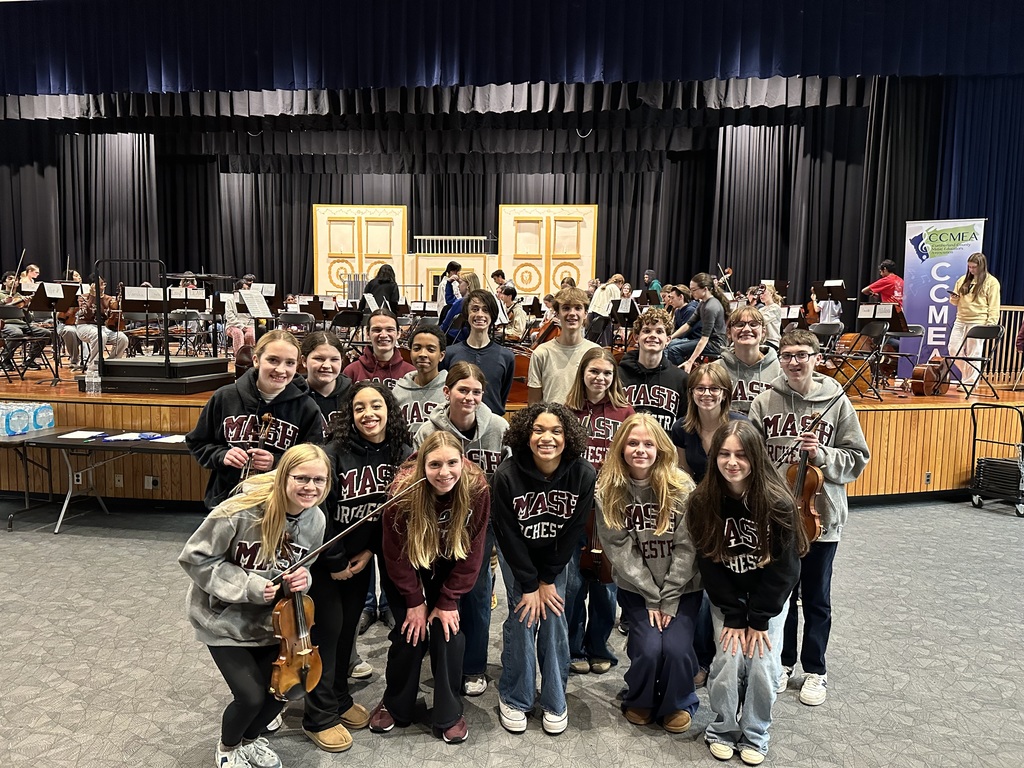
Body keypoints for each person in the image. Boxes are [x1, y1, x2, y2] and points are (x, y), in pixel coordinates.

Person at [178, 443, 330, 768]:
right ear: (283, 476)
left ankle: (249, 740)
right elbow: (195, 558)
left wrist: (302, 579)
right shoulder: (238, 511)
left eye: (319, 480)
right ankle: (228, 747)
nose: (311, 487)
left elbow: (304, 567)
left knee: (286, 689)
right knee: (250, 696)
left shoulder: (316, 519)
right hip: (223, 619)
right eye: (302, 478)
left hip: (273, 622)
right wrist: (249, 586)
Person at [748, 329, 870, 707]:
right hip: (778, 518)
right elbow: (751, 457)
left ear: (816, 358)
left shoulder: (836, 400)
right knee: (781, 594)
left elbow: (858, 458)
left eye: (802, 354)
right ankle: (783, 662)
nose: (794, 362)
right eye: (786, 355)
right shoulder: (765, 400)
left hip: (820, 517)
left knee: (817, 598)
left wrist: (822, 456)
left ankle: (815, 669)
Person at [687, 421, 808, 766]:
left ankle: (755, 732)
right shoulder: (702, 501)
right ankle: (723, 729)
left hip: (768, 602)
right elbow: (708, 564)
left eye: (741, 454)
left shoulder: (778, 502)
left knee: (763, 666)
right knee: (727, 662)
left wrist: (758, 618)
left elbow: (786, 571)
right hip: (728, 600)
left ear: (755, 456)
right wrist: (734, 614)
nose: (732, 462)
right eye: (724, 454)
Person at [302, 382, 412, 752]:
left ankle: (338, 698)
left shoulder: (402, 453)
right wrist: (334, 561)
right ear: (349, 414)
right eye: (359, 407)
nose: (369, 414)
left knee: (347, 632)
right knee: (327, 633)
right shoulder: (332, 453)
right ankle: (318, 716)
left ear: (389, 410)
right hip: (325, 561)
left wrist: (368, 551)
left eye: (376, 405)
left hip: (359, 559)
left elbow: (392, 514)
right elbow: (318, 511)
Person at [368, 431, 490, 744]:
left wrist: (447, 600)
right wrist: (414, 600)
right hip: (409, 563)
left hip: (450, 561)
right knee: (409, 632)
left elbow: (475, 549)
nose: (444, 472)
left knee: (448, 633)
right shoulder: (402, 490)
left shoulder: (476, 487)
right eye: (435, 464)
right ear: (423, 465)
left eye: (452, 463)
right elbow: (394, 553)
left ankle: (449, 712)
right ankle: (396, 703)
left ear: (462, 461)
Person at [492, 403, 596, 735]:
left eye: (556, 431)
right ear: (526, 434)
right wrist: (528, 583)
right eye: (538, 430)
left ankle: (554, 697)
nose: (546, 438)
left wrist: (547, 579)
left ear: (568, 437)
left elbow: (573, 532)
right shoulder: (506, 475)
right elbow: (507, 535)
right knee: (524, 615)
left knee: (553, 615)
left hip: (555, 556)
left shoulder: (583, 473)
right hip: (518, 555)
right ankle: (516, 695)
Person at [596, 413, 701, 733]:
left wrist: (668, 596)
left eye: (648, 443)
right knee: (649, 648)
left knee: (677, 649)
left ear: (660, 448)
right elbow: (619, 550)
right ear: (621, 448)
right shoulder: (608, 490)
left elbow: (688, 547)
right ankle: (640, 697)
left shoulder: (682, 486)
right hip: (638, 589)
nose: (640, 450)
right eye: (632, 443)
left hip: (683, 588)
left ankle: (678, 701)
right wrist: (652, 596)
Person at [414, 361, 510, 695]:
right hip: (438, 523)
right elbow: (416, 480)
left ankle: (473, 666)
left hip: (483, 523)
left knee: (478, 593)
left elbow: (508, 477)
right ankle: (443, 657)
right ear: (447, 391)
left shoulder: (498, 427)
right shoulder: (427, 431)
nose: (470, 397)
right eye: (462, 390)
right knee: (440, 589)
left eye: (476, 392)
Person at [187, 330, 325, 509]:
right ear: (256, 360)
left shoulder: (307, 407)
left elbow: (313, 459)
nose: (281, 369)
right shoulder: (225, 397)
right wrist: (222, 455)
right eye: (273, 360)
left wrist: (276, 461)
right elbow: (198, 442)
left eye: (290, 363)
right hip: (228, 500)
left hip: (281, 503)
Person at [564, 348, 634, 675]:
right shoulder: (566, 411)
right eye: (594, 371)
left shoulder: (625, 412)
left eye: (607, 373)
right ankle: (574, 647)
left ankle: (599, 646)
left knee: (606, 584)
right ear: (582, 373)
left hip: (611, 507)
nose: (600, 378)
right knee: (574, 584)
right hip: (574, 507)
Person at [443, 289, 515, 417]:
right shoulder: (449, 354)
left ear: (492, 315)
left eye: (485, 310)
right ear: (467, 314)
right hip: (457, 422)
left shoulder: (507, 357)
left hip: (492, 424)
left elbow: (501, 397)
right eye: (475, 309)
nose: (480, 314)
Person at [617, 308, 688, 433]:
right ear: (636, 337)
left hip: (665, 444)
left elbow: (684, 425)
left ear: (668, 340)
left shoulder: (681, 379)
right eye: (646, 331)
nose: (653, 335)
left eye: (659, 331)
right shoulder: (618, 376)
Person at [527, 287, 599, 404]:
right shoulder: (541, 353)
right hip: (551, 415)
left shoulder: (595, 352)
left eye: (578, 308)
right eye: (566, 308)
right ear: (557, 314)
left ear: (585, 314)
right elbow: (534, 402)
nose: (572, 313)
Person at [711, 306, 781, 414]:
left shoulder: (779, 370)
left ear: (763, 331)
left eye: (753, 324)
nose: (747, 329)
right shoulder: (716, 369)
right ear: (729, 332)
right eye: (739, 325)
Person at [948, 252, 1001, 386]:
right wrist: (954, 298)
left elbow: (994, 304)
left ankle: (970, 382)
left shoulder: (991, 282)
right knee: (953, 349)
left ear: (981, 266)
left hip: (978, 321)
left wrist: (991, 322)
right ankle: (968, 376)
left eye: (974, 267)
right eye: (969, 267)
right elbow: (955, 302)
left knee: (974, 353)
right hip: (960, 319)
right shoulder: (962, 280)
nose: (971, 270)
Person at [667, 273, 728, 371]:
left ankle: (685, 375)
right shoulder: (703, 303)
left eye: (694, 290)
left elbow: (704, 338)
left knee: (674, 350)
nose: (691, 293)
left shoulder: (711, 307)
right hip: (709, 341)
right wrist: (670, 337)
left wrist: (690, 361)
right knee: (671, 345)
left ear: (705, 289)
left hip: (716, 344)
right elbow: (689, 324)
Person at [342, 309, 415, 390]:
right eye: (377, 330)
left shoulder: (411, 373)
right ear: (367, 334)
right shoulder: (351, 371)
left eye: (390, 330)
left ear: (398, 333)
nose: (383, 335)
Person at [393, 323, 447, 432]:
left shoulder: (450, 390)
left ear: (441, 356)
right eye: (417, 348)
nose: (422, 354)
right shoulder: (398, 391)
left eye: (430, 350)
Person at [74, 274, 129, 371]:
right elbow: (87, 315)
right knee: (100, 335)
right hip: (84, 326)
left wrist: (117, 307)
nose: (102, 287)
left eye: (103, 284)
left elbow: (111, 317)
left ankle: (112, 364)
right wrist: (93, 297)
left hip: (103, 327)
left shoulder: (109, 299)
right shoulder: (83, 297)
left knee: (122, 338)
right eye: (99, 284)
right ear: (92, 285)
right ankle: (94, 366)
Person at [300, 331, 352, 425]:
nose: (327, 365)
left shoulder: (353, 395)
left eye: (334, 359)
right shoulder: (294, 394)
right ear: (304, 361)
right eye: (319, 359)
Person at [0, 270, 49, 370]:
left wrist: (26, 307)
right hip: (5, 324)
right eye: (10, 278)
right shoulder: (0, 294)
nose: (13, 281)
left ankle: (30, 359)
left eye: (16, 279)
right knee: (16, 334)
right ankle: (5, 358)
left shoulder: (20, 297)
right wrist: (3, 302)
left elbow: (29, 319)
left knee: (45, 333)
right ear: (4, 282)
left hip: (22, 324)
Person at [441, 273, 482, 343]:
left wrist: (435, 334)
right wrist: (449, 284)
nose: (458, 286)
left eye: (460, 283)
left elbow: (446, 324)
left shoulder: (461, 302)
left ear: (468, 285)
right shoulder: (478, 301)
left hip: (454, 338)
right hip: (471, 338)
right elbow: (451, 301)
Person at [585, 274, 623, 346]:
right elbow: (616, 305)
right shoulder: (614, 288)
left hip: (592, 315)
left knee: (593, 342)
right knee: (605, 344)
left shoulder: (602, 287)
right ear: (620, 283)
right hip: (603, 317)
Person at [224, 279, 256, 353]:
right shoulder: (230, 300)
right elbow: (230, 316)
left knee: (250, 335)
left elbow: (252, 316)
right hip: (232, 325)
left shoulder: (250, 300)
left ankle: (249, 355)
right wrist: (241, 326)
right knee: (238, 333)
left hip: (248, 325)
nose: (246, 291)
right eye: (244, 289)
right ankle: (239, 356)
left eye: (247, 289)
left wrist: (248, 326)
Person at [758, 285, 783, 350]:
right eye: (760, 293)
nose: (761, 295)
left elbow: (762, 320)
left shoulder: (775, 307)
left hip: (772, 341)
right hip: (762, 341)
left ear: (771, 293)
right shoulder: (761, 309)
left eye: (763, 293)